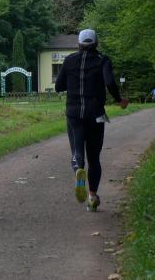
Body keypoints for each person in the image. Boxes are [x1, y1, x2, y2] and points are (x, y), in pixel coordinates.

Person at [55, 29, 128, 212]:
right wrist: (119, 100)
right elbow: (109, 82)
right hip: (96, 114)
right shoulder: (103, 60)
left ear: (78, 44)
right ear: (96, 43)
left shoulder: (69, 60)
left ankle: (79, 171)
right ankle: (92, 197)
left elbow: (58, 86)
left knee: (77, 150)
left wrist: (72, 82)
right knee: (94, 158)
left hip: (74, 114)